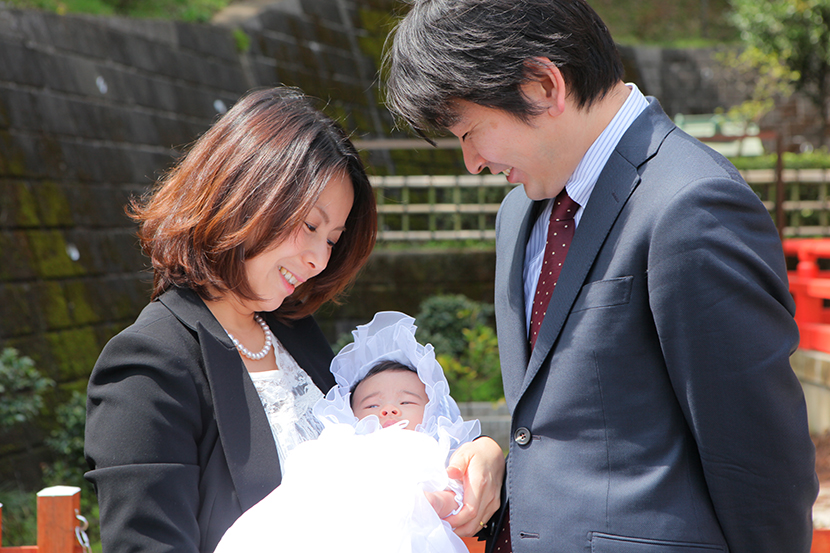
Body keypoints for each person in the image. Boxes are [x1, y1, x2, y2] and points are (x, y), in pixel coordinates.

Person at [384, 1, 819, 553]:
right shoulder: (519, 214)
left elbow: (760, 465)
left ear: (543, 85)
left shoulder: (690, 204)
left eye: (468, 131)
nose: (471, 162)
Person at [84, 87, 503, 553]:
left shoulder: (292, 331)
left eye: (331, 239)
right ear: (243, 194)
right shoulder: (148, 363)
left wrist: (477, 455)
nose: (318, 260)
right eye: (309, 226)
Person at [214, 311, 481, 553]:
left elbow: (455, 489)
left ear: (433, 409)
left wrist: (436, 503)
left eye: (406, 402)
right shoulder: (344, 444)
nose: (388, 409)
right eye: (372, 404)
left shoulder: (434, 447)